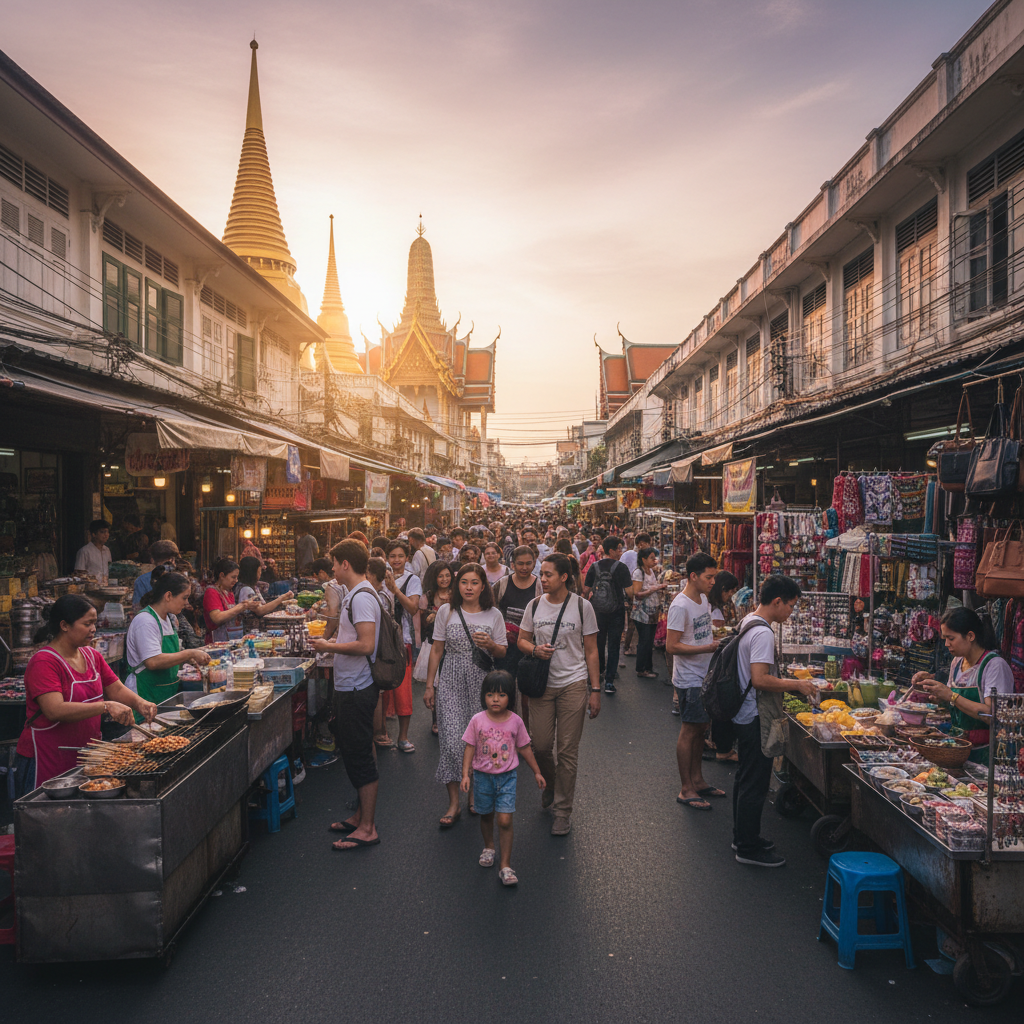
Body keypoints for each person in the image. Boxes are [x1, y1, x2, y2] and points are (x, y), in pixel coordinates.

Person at [13, 595, 158, 792]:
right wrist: (105, 706)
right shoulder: (44, 662)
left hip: (86, 754)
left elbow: (114, 688)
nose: (94, 629)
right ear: (64, 625)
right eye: (87, 623)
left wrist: (140, 703)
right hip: (47, 756)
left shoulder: (91, 655)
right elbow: (54, 710)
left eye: (95, 623)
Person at [732, 575, 816, 867]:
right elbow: (760, 679)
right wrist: (797, 685)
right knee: (754, 782)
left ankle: (742, 836)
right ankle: (747, 847)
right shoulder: (763, 633)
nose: (791, 613)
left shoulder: (748, 621)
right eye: (791, 606)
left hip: (744, 713)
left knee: (745, 778)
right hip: (755, 715)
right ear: (777, 601)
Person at [518, 553, 601, 836]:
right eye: (542, 574)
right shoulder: (534, 605)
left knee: (567, 751)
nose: (542, 579)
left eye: (548, 574)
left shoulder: (582, 606)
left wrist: (595, 689)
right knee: (539, 745)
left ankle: (563, 811)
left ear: (564, 577)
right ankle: (551, 785)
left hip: (573, 683)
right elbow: (521, 640)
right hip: (543, 684)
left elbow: (591, 650)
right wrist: (534, 650)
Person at [309, 540, 383, 850]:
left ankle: (368, 827)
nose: (332, 569)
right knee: (353, 753)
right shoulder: (355, 594)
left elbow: (366, 645)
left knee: (359, 755)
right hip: (350, 684)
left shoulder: (362, 597)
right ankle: (359, 817)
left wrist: (329, 646)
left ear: (345, 565)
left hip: (358, 687)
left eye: (334, 563)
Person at [424, 562, 507, 827]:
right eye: (464, 582)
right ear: (457, 586)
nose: (469, 587)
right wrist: (429, 685)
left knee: (480, 742)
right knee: (450, 740)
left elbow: (503, 652)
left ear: (484, 586)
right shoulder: (447, 611)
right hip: (450, 679)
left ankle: (474, 793)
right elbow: (437, 649)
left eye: (474, 583)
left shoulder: (493, 614)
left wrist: (491, 645)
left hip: (482, 683)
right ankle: (453, 803)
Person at [461, 670, 546, 887]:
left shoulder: (515, 721)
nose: (495, 699)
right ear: (484, 696)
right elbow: (470, 746)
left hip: (507, 778)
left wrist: (536, 771)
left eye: (501, 695)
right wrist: (465, 774)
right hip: (482, 778)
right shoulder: (477, 720)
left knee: (505, 820)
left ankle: (505, 866)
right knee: (486, 815)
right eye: (490, 695)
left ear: (510, 696)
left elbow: (525, 747)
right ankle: (489, 846)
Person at [914, 608, 1015, 764]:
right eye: (945, 638)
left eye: (951, 638)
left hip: (988, 754)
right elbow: (954, 704)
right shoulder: (957, 663)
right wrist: (935, 694)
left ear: (970, 636)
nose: (946, 644)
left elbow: (993, 715)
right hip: (959, 749)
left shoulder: (994, 666)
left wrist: (951, 696)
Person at [666, 553, 722, 811]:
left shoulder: (702, 600)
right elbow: (672, 646)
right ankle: (685, 788)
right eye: (709, 577)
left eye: (714, 577)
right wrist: (708, 648)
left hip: (704, 675)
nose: (713, 582)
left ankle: (698, 780)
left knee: (701, 729)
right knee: (690, 730)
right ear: (693, 576)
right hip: (689, 679)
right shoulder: (680, 606)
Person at [126, 569, 211, 703]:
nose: (186, 603)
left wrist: (188, 661)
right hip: (144, 695)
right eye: (184, 597)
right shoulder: (145, 621)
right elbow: (153, 661)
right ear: (168, 596)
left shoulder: (169, 619)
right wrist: (189, 654)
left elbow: (170, 655)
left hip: (164, 693)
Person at [493, 545, 545, 730]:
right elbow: (492, 612)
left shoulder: (540, 585)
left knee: (527, 692)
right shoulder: (502, 584)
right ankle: (504, 728)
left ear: (534, 563)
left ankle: (526, 730)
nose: (524, 568)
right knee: (505, 688)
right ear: (512, 564)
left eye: (528, 564)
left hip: (530, 647)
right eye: (520, 564)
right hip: (505, 648)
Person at [380, 540, 421, 753]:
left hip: (402, 641)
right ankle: (382, 733)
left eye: (400, 556)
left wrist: (395, 589)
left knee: (403, 691)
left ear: (407, 558)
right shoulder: (379, 576)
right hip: (379, 642)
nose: (396, 560)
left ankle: (403, 737)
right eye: (392, 556)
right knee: (381, 690)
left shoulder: (412, 580)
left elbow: (413, 608)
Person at [583, 535, 632, 694]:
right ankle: (609, 681)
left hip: (597, 612)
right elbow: (630, 592)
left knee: (597, 644)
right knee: (613, 645)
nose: (621, 551)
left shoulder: (594, 567)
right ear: (611, 550)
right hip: (616, 611)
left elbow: (585, 590)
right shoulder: (622, 568)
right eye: (619, 548)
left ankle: (596, 675)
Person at [707, 570, 740, 761]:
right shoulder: (714, 609)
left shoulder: (710, 605)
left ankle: (715, 742)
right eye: (730, 591)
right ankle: (723, 749)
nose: (730, 596)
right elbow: (716, 634)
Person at [418, 560, 453, 735]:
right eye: (441, 576)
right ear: (435, 578)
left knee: (450, 684)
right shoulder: (428, 597)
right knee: (437, 686)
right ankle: (436, 720)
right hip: (434, 644)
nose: (445, 579)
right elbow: (422, 622)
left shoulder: (456, 594)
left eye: (447, 575)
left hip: (453, 645)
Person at [202, 558, 259, 643]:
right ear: (222, 575)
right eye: (233, 577)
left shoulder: (229, 592)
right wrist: (242, 606)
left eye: (237, 577)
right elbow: (217, 618)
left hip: (232, 641)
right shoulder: (211, 592)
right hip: (217, 643)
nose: (236, 580)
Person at [630, 547, 666, 679]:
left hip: (652, 611)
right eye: (651, 558)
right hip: (642, 613)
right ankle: (641, 669)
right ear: (643, 559)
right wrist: (655, 588)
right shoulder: (638, 573)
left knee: (649, 641)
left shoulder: (650, 571)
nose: (654, 560)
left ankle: (648, 668)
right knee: (644, 641)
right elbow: (637, 594)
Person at [234, 556, 295, 630]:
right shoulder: (246, 589)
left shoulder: (252, 586)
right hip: (251, 630)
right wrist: (282, 598)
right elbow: (261, 610)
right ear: (252, 572)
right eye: (259, 571)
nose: (260, 574)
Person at [132, 539, 181, 610]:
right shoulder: (183, 578)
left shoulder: (141, 581)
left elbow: (137, 610)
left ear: (152, 560)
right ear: (172, 560)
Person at [310, 556, 346, 640]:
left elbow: (333, 615)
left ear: (322, 572)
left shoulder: (332, 586)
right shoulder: (345, 583)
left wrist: (324, 639)